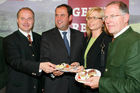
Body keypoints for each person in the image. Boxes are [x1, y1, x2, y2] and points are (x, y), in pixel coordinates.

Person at [83, 1, 140, 93]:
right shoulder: (117, 39)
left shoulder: (135, 42)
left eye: (113, 16)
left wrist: (101, 83)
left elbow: (136, 86)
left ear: (126, 18)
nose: (107, 21)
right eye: (106, 17)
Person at [3, 7, 55, 93]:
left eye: (29, 18)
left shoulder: (40, 38)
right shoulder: (9, 40)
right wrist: (40, 66)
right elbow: (16, 62)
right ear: (17, 20)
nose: (26, 22)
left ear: (33, 20)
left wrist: (52, 71)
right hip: (18, 89)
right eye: (22, 18)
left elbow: (44, 59)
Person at [40, 4, 85, 93]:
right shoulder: (46, 36)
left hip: (75, 86)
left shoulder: (79, 35)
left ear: (70, 18)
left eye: (62, 15)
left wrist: (79, 64)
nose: (58, 18)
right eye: (56, 15)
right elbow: (44, 59)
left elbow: (83, 57)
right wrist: (52, 72)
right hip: (55, 86)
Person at [81, 7, 112, 93]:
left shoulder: (108, 40)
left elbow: (108, 67)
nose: (90, 21)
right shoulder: (86, 39)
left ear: (103, 21)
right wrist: (79, 66)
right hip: (85, 85)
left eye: (94, 18)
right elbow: (85, 61)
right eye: (89, 18)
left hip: (98, 87)